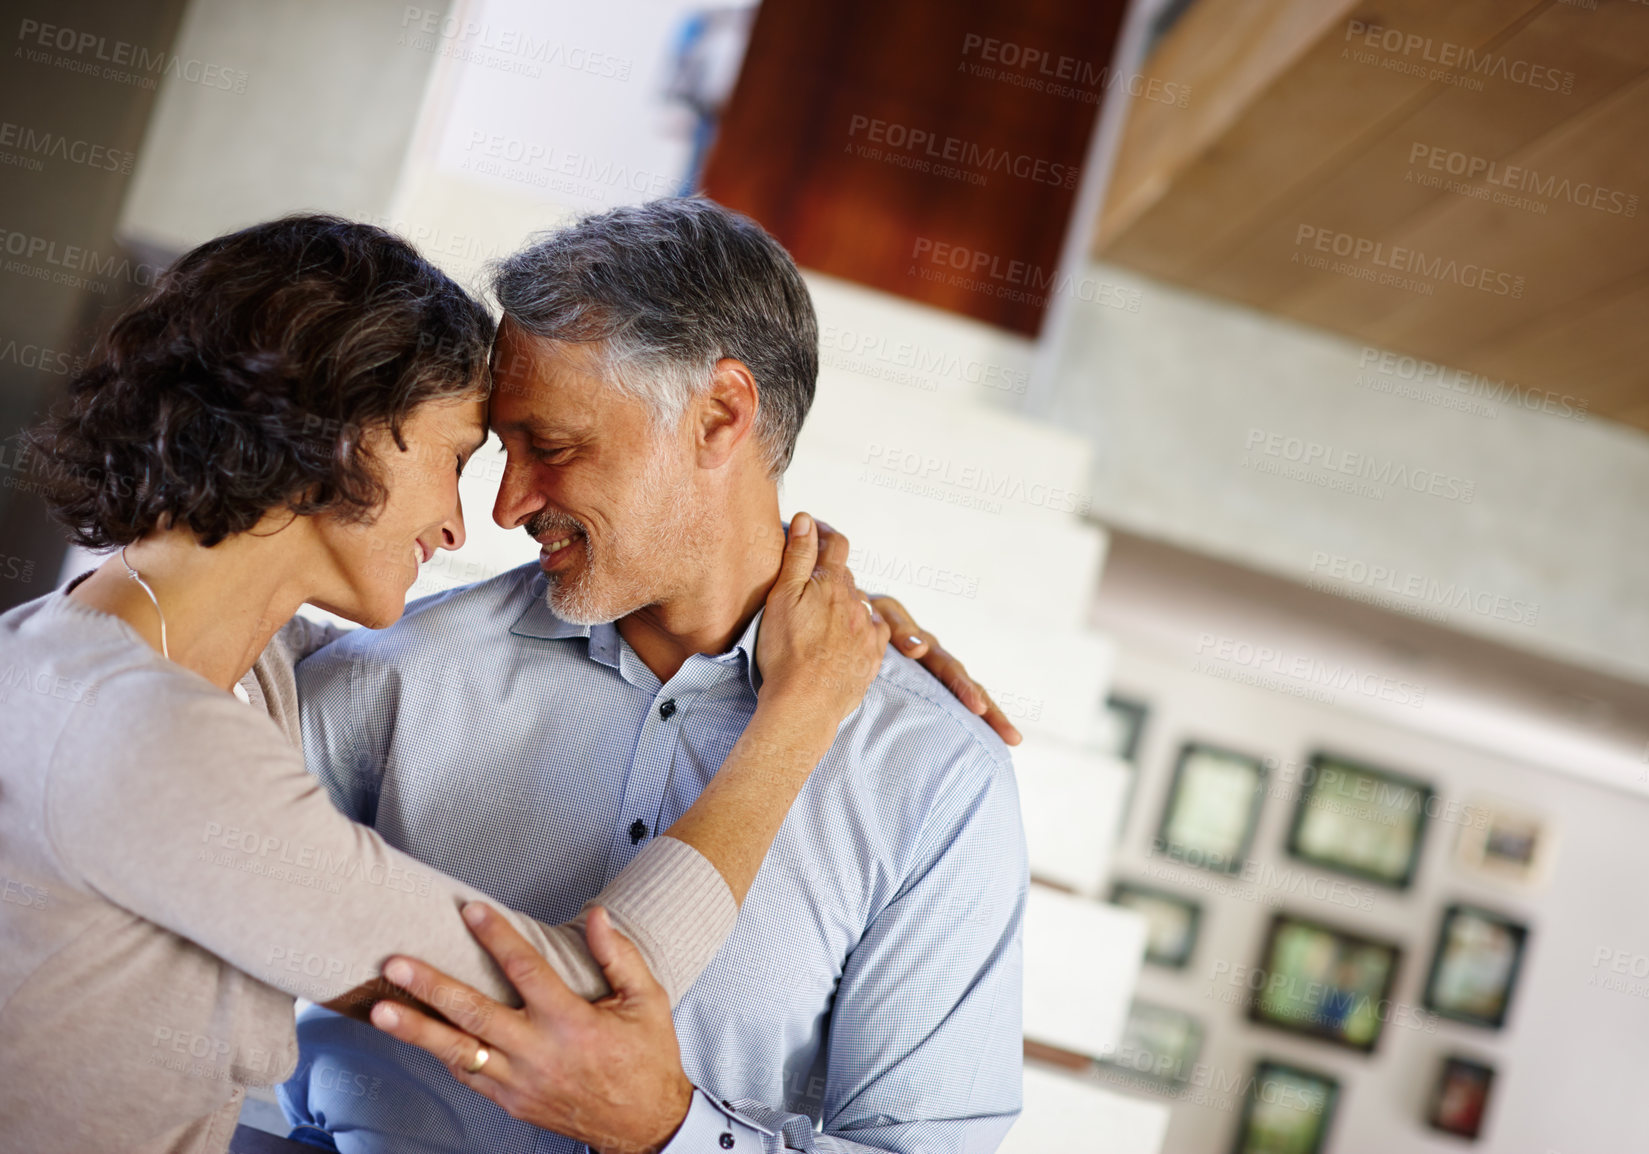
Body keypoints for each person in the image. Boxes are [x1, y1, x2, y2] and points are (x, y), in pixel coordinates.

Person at [0, 215, 974, 1154]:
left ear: (723, 414)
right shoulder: (164, 731)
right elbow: (573, 1010)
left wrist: (829, 625)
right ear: (342, 432)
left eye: (539, 448)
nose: (480, 517)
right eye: (466, 455)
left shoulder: (184, 664)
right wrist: (799, 714)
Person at [280, 198, 1029, 1154]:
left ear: (722, 414)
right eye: (500, 452)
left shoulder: (932, 780)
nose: (507, 508)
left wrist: (674, 1133)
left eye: (550, 447)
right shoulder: (394, 672)